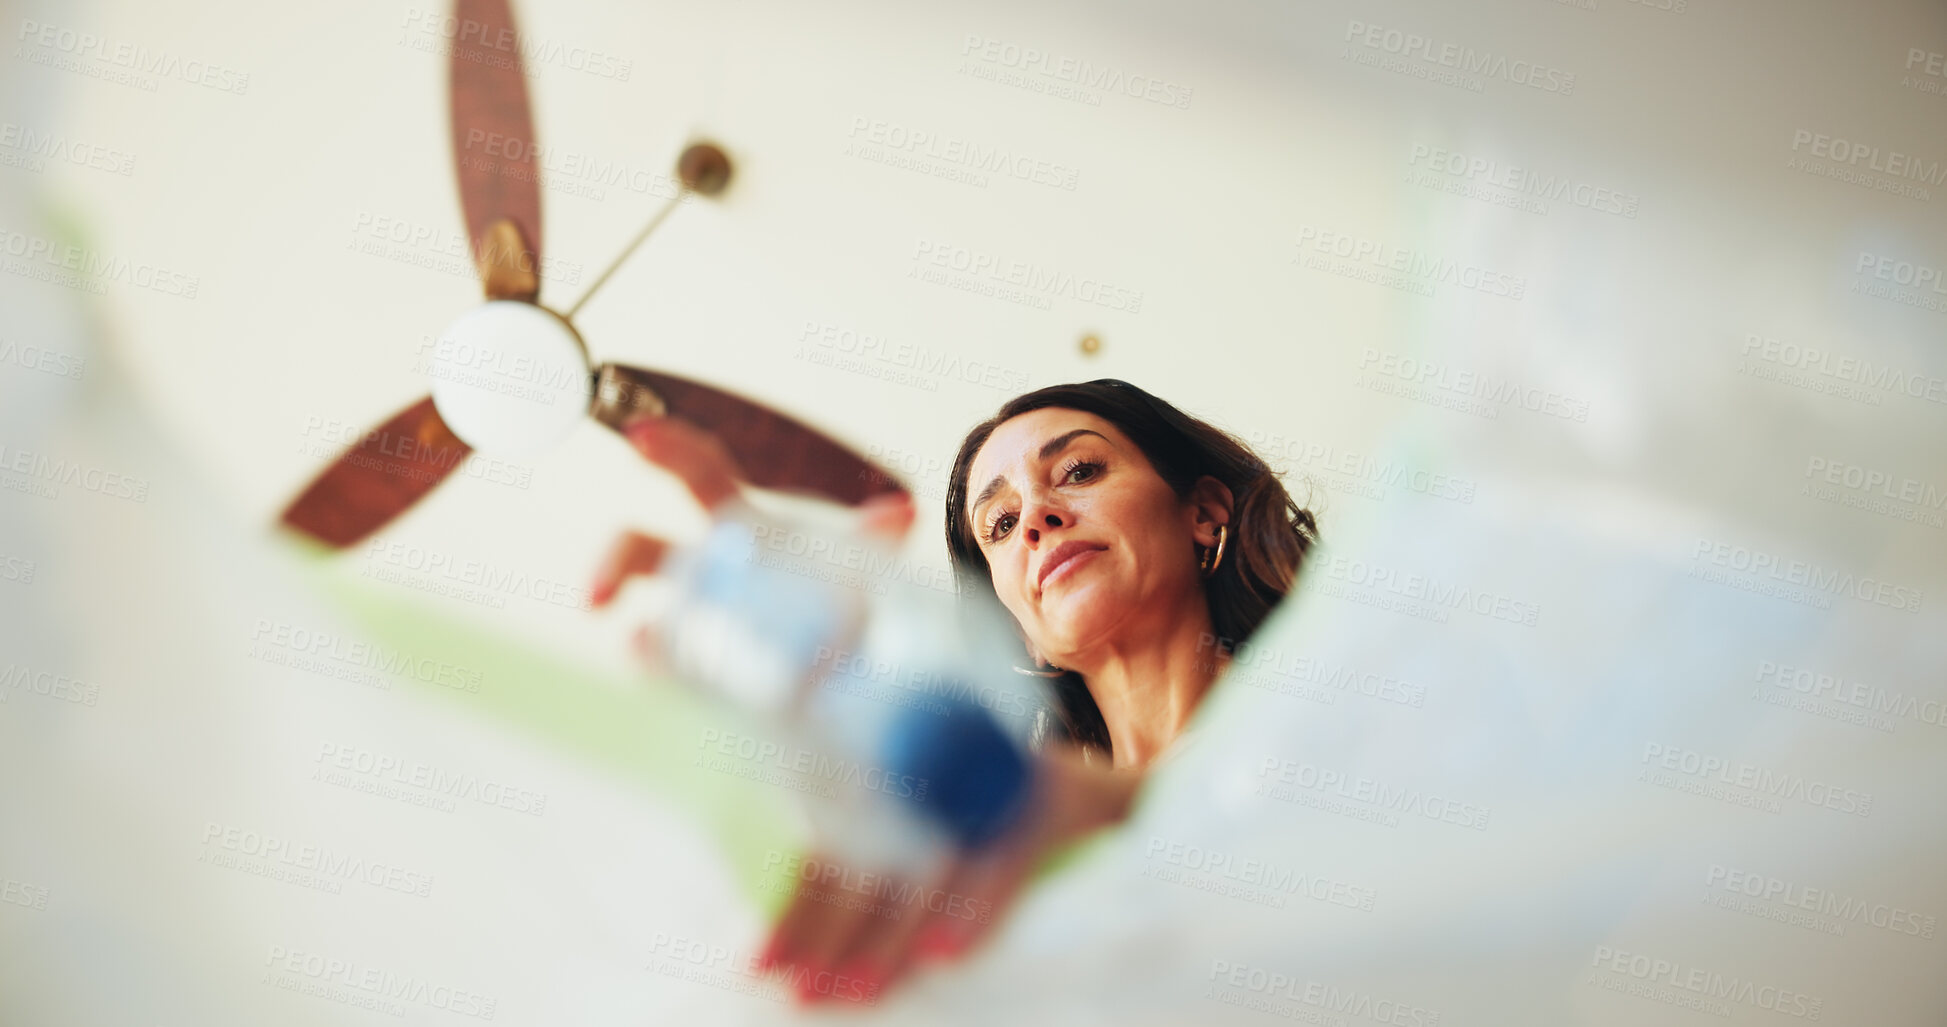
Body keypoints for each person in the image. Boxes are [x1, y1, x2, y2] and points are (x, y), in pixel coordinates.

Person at [588, 378, 1318, 1004]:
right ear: (1017, 631)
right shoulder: (1008, 848)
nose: (1035, 515)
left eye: (1079, 470)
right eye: (1000, 524)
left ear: (1204, 512)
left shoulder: (1342, 694)